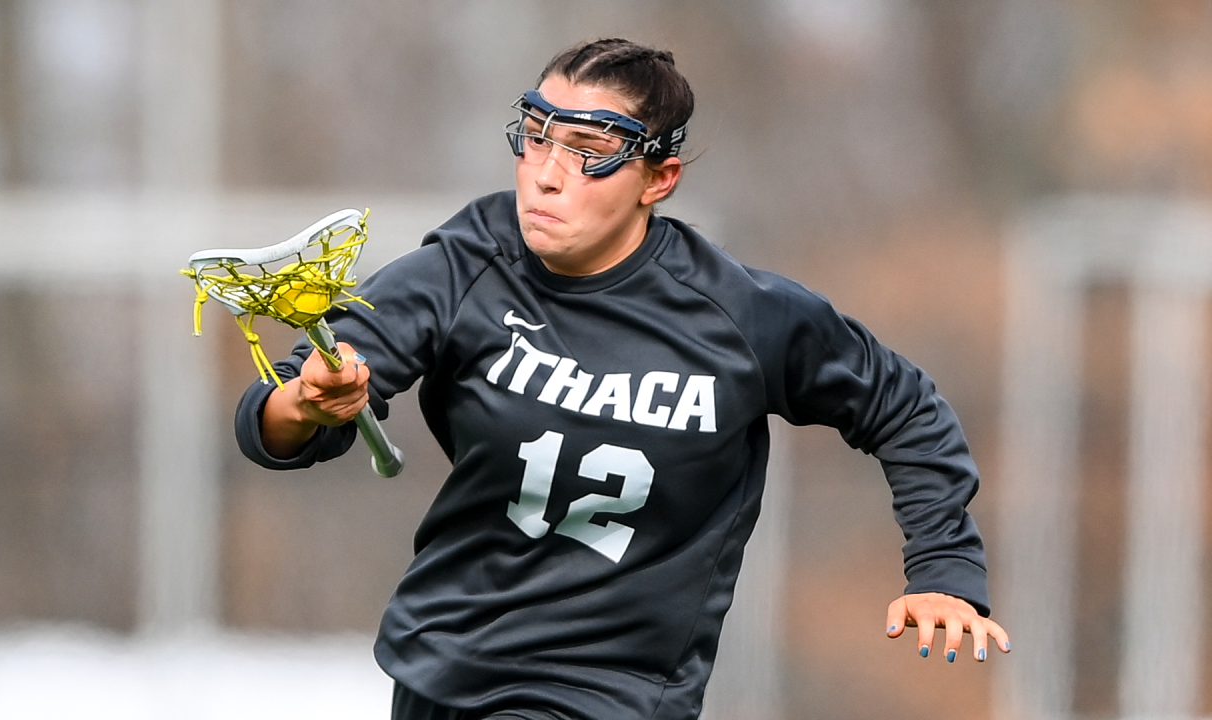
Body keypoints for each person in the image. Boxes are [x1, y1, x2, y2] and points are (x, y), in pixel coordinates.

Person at [235, 38, 1009, 720]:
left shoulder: (738, 316)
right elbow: (287, 417)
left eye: (586, 150)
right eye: (534, 139)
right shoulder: (469, 264)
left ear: (658, 178)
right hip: (444, 659)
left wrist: (943, 568)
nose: (545, 175)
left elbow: (903, 407)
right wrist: (305, 403)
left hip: (613, 689)